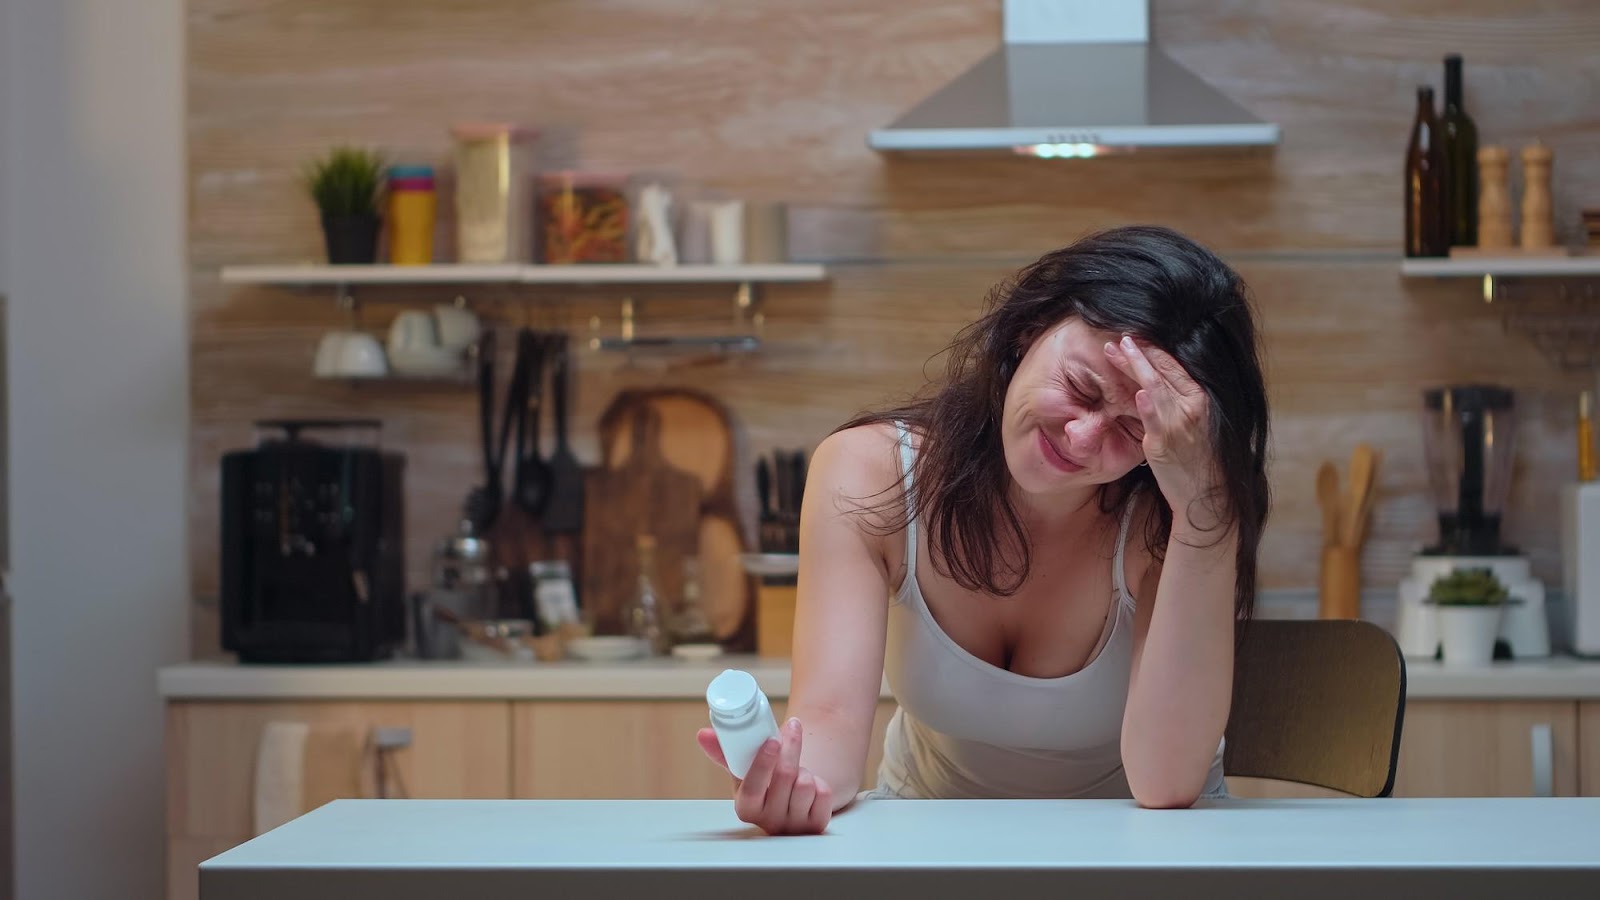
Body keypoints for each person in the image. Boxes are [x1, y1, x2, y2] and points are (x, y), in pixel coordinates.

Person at [697, 225, 1271, 835]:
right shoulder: (869, 472)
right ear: (1030, 329)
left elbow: (1166, 782)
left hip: (1138, 850)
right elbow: (831, 719)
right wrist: (793, 781)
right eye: (1079, 388)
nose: (1082, 438)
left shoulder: (1174, 516)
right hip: (928, 843)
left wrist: (1208, 508)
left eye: (1134, 430)